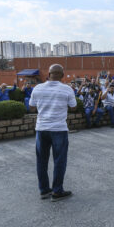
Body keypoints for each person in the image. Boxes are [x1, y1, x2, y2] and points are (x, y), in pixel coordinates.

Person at [29, 64, 77, 202]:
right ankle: (57, 191)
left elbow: (31, 107)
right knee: (59, 160)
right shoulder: (67, 89)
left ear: (48, 74)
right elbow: (73, 107)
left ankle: (44, 190)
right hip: (59, 129)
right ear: (62, 75)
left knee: (41, 161)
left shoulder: (38, 88)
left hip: (41, 129)